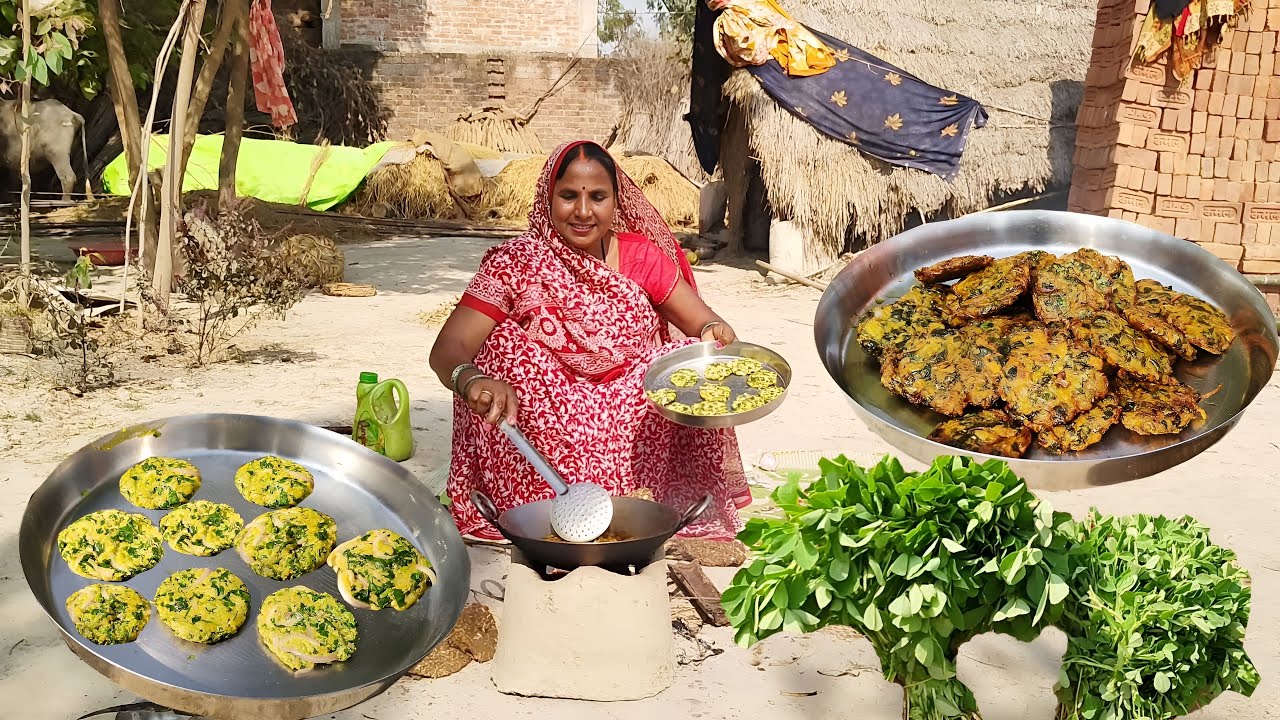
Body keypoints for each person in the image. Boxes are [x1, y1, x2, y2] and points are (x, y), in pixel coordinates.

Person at [429, 140, 751, 541]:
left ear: (616, 201)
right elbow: (448, 349)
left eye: (597, 197)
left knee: (689, 359)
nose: (583, 212)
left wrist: (713, 333)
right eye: (568, 196)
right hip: (541, 428)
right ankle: (537, 504)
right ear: (548, 197)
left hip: (632, 422)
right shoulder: (516, 262)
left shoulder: (640, 256)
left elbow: (704, 324)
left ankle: (645, 498)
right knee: (501, 346)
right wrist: (473, 380)